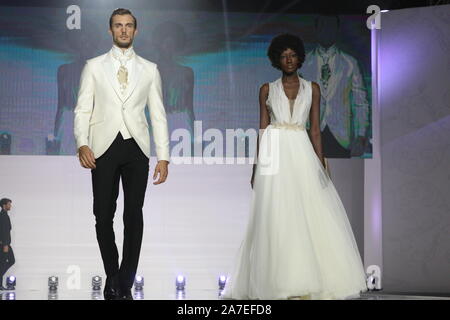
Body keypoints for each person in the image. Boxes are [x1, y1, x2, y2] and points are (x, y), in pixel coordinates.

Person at [221, 34, 368, 300]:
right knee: (275, 216)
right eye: (283, 55)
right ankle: (276, 281)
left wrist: (321, 162)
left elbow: (315, 130)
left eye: (292, 55)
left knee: (307, 213)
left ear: (300, 58)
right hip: (274, 154)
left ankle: (309, 278)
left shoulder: (313, 88)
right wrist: (256, 167)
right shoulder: (267, 89)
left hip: (301, 153)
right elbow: (263, 130)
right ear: (277, 60)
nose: (288, 59)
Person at [73, 8, 170, 300]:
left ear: (136, 31)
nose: (124, 30)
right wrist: (82, 142)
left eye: (129, 26)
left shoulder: (150, 69)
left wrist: (163, 156)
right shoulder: (93, 66)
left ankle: (124, 281)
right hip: (102, 146)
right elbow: (82, 108)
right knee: (102, 215)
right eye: (118, 26)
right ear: (110, 30)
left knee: (133, 216)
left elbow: (159, 115)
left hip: (136, 147)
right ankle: (112, 274)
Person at [301, 15, 370, 158]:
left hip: (341, 137)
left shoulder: (350, 63)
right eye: (322, 27)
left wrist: (361, 136)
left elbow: (360, 103)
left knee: (341, 179)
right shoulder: (303, 63)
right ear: (316, 29)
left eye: (330, 27)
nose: (326, 31)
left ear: (337, 30)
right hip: (309, 135)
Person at [0, 198, 15, 291]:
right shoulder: (2, 216)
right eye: (9, 204)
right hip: (4, 245)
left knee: (11, 261)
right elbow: (3, 231)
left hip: (6, 244)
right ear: (4, 205)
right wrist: (5, 244)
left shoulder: (5, 215)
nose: (10, 206)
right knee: (2, 264)